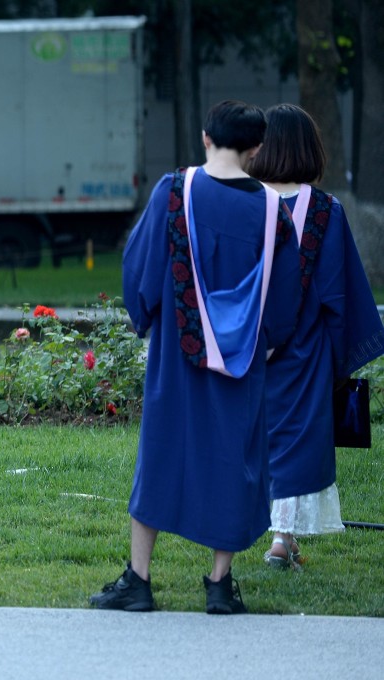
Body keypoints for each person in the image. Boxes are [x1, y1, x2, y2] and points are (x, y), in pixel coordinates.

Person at [89, 100, 301, 614]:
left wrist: (146, 316)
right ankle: (219, 585)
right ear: (256, 150)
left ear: (206, 138)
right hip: (243, 360)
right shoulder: (274, 212)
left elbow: (141, 266)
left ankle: (138, 580)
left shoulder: (174, 192)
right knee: (234, 459)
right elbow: (285, 296)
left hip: (176, 355)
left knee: (162, 452)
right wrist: (266, 339)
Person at [247, 103, 384, 569]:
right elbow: (339, 294)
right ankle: (282, 539)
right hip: (305, 351)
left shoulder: (243, 200)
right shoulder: (325, 210)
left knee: (253, 440)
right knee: (294, 445)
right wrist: (339, 362)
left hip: (247, 347)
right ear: (309, 148)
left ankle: (251, 533)